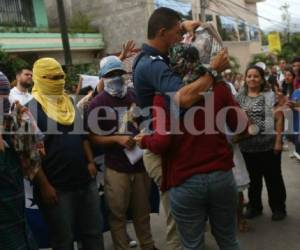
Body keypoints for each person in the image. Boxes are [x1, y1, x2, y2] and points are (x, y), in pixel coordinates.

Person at [133, 7, 229, 250]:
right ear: (163, 32)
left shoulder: (159, 57)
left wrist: (185, 25)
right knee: (180, 230)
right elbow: (184, 98)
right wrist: (214, 70)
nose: (181, 37)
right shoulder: (153, 65)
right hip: (161, 149)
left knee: (192, 228)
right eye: (177, 33)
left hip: (172, 147)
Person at [28, 58, 104, 250]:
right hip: (57, 188)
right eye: (51, 77)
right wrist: (45, 186)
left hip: (85, 181)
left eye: (60, 76)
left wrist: (90, 161)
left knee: (94, 233)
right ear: (39, 78)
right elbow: (30, 155)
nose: (58, 81)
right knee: (64, 240)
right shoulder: (31, 109)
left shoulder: (68, 101)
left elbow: (82, 136)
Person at [88, 55, 157, 250]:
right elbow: (92, 137)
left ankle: (148, 245)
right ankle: (121, 246)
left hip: (140, 165)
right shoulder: (97, 103)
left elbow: (147, 123)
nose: (116, 78)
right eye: (110, 74)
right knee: (117, 214)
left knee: (142, 212)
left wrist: (144, 134)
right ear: (102, 77)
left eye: (119, 73)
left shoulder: (135, 96)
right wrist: (116, 139)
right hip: (117, 168)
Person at [236, 65, 287, 221]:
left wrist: (278, 141)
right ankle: (255, 207)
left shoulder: (270, 96)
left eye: (256, 76)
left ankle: (278, 208)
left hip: (269, 146)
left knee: (274, 179)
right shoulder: (239, 97)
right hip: (247, 147)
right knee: (253, 180)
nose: (252, 79)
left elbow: (279, 118)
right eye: (249, 76)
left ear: (262, 79)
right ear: (245, 78)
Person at [0, 71, 38, 250]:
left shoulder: (8, 130)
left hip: (19, 223)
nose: (4, 104)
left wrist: (26, 125)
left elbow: (30, 166)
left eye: (6, 98)